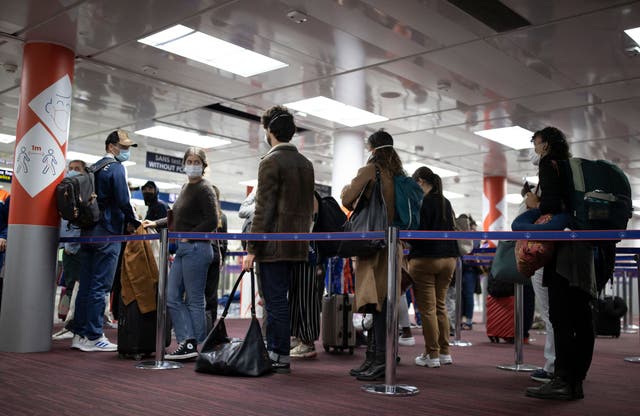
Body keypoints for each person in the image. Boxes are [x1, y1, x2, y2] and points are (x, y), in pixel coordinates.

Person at [242, 106, 314, 374]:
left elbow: (264, 209)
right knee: (284, 301)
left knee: (274, 302)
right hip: (297, 245)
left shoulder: (270, 161)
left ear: (269, 131)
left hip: (273, 246)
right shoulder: (306, 164)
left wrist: (252, 248)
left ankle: (278, 354)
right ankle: (280, 351)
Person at [524, 126, 595, 400]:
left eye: (536, 143)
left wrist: (534, 203)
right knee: (581, 315)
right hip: (584, 245)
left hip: (563, 247)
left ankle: (562, 380)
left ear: (546, 144)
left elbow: (552, 205)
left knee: (561, 314)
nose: (535, 148)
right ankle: (575, 380)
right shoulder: (571, 167)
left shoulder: (548, 164)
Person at [143, 147, 217, 360]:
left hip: (197, 248)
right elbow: (175, 216)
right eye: (189, 161)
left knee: (194, 299)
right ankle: (187, 341)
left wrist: (190, 235)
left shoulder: (205, 189)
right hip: (185, 249)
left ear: (203, 166)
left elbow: (212, 220)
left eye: (197, 161)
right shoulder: (186, 187)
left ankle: (196, 345)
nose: (192, 165)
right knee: (172, 296)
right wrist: (155, 223)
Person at [341, 129, 402, 381]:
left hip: (373, 246)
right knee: (385, 303)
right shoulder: (399, 175)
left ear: (372, 148)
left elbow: (346, 198)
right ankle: (376, 358)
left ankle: (378, 361)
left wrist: (348, 186)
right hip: (393, 245)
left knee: (376, 304)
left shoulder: (371, 170)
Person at [71, 130, 140, 352]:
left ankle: (79, 334)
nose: (126, 151)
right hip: (108, 232)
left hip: (89, 231)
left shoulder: (94, 167)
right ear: (111, 146)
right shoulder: (117, 168)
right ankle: (94, 336)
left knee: (86, 284)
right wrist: (135, 222)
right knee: (100, 286)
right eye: (123, 146)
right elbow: (123, 200)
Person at [408, 167, 459, 368]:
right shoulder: (445, 202)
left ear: (420, 181)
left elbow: (416, 230)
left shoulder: (421, 202)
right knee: (440, 305)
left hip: (425, 259)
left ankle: (432, 354)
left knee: (427, 309)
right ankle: (445, 352)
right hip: (449, 260)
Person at [52, 160, 87, 340]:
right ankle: (70, 322)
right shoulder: (64, 194)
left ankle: (76, 324)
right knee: (69, 286)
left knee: (81, 288)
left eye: (77, 169)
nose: (72, 172)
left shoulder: (87, 193)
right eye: (70, 169)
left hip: (82, 248)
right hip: (68, 249)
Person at [289, 192, 322, 359]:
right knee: (296, 296)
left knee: (306, 297)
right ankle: (298, 336)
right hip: (297, 251)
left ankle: (308, 341)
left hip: (307, 251)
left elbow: (311, 223)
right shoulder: (296, 193)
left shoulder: (310, 195)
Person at [205, 184, 228, 329]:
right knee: (211, 293)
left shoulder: (204, 214)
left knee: (198, 292)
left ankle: (201, 325)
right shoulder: (222, 216)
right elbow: (224, 242)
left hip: (204, 254)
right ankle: (210, 325)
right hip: (215, 255)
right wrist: (223, 259)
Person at [460, 215, 481, 330]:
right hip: (461, 267)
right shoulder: (461, 233)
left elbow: (472, 247)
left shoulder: (475, 235)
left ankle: (468, 320)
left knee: (468, 294)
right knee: (460, 294)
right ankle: (461, 319)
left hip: (470, 268)